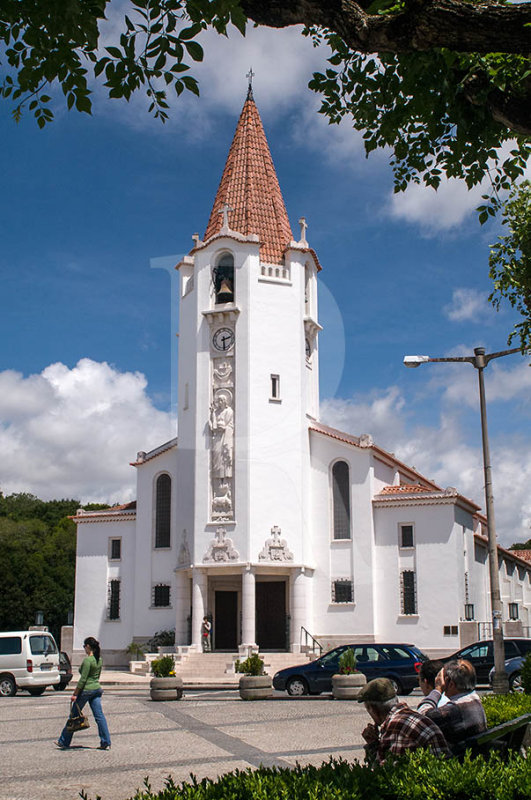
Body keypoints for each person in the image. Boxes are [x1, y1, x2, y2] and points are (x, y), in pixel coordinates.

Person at [358, 677, 451, 765]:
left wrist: (372, 744)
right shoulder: (410, 717)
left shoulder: (396, 725)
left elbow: (385, 771)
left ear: (374, 709)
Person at [418, 659, 487, 754]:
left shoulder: (455, 709)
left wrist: (437, 689)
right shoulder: (474, 699)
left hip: (460, 760)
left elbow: (422, 716)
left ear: (451, 684)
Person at [55, 636, 111, 750]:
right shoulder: (99, 659)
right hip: (96, 689)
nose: (84, 648)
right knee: (99, 717)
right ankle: (106, 741)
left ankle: (63, 741)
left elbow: (83, 679)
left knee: (74, 714)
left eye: (84, 646)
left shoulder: (87, 661)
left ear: (88, 647)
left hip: (86, 690)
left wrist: (75, 694)